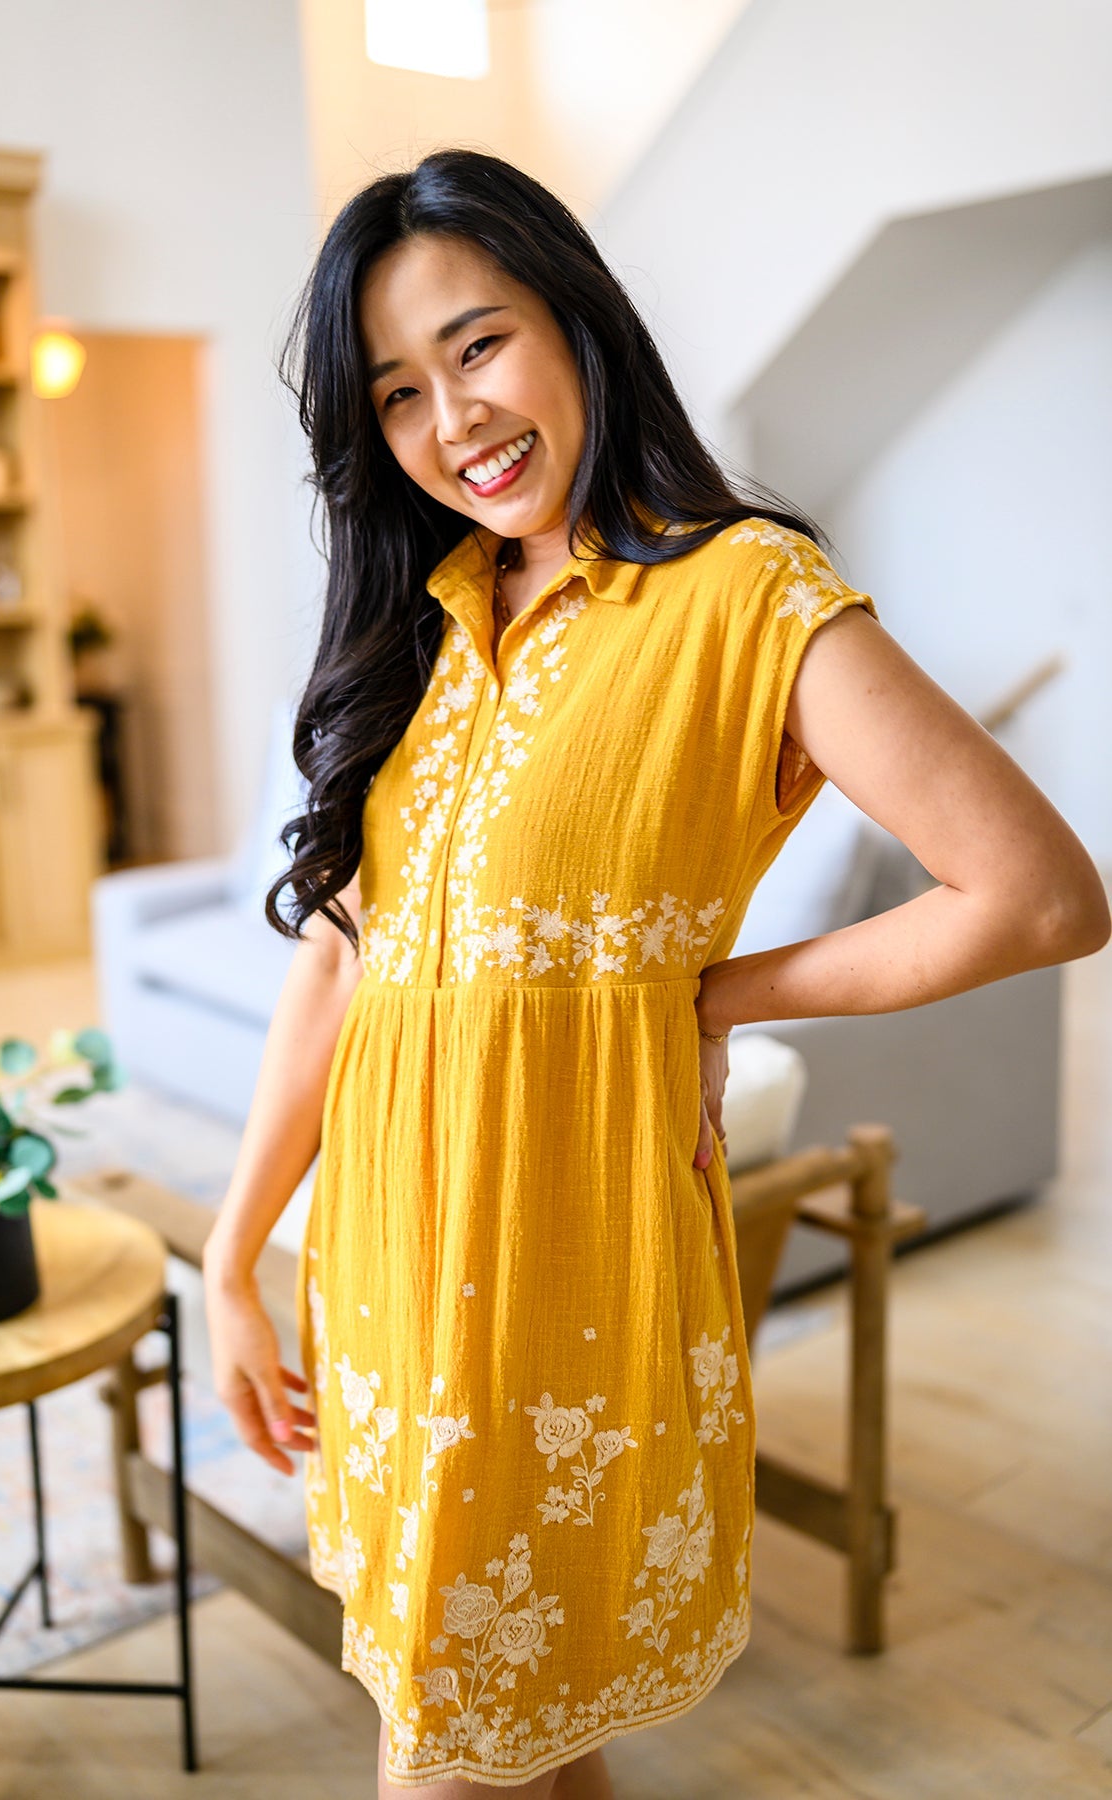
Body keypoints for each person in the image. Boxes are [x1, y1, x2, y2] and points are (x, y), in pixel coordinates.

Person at [201, 149, 1109, 1797]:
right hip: (389, 1262)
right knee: (529, 1736)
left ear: (578, 322)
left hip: (563, 1267)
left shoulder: (741, 592)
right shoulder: (428, 612)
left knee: (452, 1744)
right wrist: (233, 1245)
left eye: (477, 345)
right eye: (398, 392)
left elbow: (1039, 895)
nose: (452, 420)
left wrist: (719, 997)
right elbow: (347, 952)